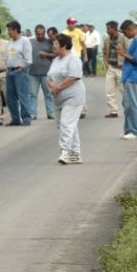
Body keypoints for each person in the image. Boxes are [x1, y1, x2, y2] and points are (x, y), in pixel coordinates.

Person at [47, 34, 86, 164]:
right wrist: (52, 85)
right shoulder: (56, 60)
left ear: (63, 45)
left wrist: (58, 87)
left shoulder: (73, 59)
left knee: (66, 124)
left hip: (73, 97)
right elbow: (49, 76)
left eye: (56, 44)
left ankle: (65, 152)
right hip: (59, 98)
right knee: (67, 125)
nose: (54, 46)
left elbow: (73, 77)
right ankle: (75, 154)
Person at [117, 20, 137, 139]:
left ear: (131, 29)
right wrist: (125, 53)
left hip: (134, 75)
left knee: (133, 104)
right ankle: (129, 130)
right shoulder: (136, 40)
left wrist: (122, 54)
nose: (125, 35)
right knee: (127, 104)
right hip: (130, 75)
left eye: (125, 33)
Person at [4, 21, 32, 126]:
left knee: (22, 95)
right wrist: (6, 65)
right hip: (10, 71)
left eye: (9, 30)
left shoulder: (25, 41)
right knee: (10, 97)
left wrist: (22, 66)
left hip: (20, 72)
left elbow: (28, 59)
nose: (8, 32)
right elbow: (7, 55)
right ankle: (15, 118)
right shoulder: (10, 42)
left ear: (15, 29)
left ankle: (26, 118)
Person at [102, 20, 129, 118]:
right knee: (109, 91)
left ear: (114, 28)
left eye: (108, 28)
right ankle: (113, 111)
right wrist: (106, 63)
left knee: (124, 90)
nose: (107, 30)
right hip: (111, 67)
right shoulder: (107, 39)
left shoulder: (123, 38)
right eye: (107, 28)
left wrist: (125, 64)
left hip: (121, 68)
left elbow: (129, 50)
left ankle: (128, 109)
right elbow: (104, 51)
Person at [62, 18, 88, 118]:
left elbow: (83, 44)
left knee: (78, 83)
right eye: (72, 23)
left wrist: (85, 56)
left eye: (74, 23)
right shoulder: (64, 33)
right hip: (66, 59)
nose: (73, 25)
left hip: (76, 58)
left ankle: (82, 109)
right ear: (68, 24)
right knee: (67, 83)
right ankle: (69, 107)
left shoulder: (79, 32)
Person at [28, 24, 55, 120]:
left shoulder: (49, 43)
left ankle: (50, 112)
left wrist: (46, 54)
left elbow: (55, 54)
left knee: (48, 93)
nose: (40, 36)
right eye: (38, 34)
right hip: (32, 73)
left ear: (44, 33)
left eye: (42, 34)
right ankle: (32, 113)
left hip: (46, 73)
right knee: (32, 94)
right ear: (35, 33)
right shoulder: (30, 42)